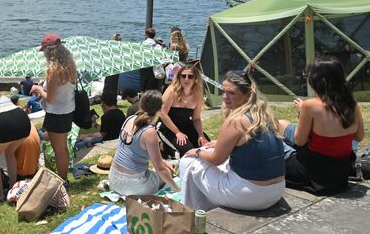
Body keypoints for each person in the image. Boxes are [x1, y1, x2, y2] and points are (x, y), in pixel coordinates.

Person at [179, 70, 286, 211]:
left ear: (247, 95)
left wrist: (197, 151)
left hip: (251, 195)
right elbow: (252, 144)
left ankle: (191, 211)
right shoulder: (265, 115)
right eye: (223, 92)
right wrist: (219, 143)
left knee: (188, 161)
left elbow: (216, 160)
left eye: (231, 93)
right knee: (219, 159)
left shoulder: (236, 121)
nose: (225, 97)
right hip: (276, 191)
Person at [279, 57, 365, 195]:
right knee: (282, 124)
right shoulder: (352, 105)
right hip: (340, 173)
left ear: (317, 80)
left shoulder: (310, 106)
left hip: (312, 172)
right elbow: (359, 137)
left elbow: (299, 141)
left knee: (274, 132)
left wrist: (303, 112)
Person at [110, 91, 180, 196]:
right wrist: (178, 189)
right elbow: (160, 169)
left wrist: (164, 163)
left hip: (114, 179)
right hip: (133, 186)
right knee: (167, 173)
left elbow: (140, 153)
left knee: (166, 167)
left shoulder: (129, 119)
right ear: (159, 110)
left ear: (140, 104)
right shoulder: (149, 132)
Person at [31, 33, 76, 186]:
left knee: (59, 149)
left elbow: (49, 98)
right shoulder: (70, 66)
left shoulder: (53, 70)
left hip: (56, 112)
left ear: (49, 51)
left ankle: (62, 181)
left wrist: (38, 88)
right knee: (62, 147)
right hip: (67, 110)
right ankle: (64, 177)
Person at [158, 64, 207, 157]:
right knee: (188, 152)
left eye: (190, 76)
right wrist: (178, 132)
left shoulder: (198, 94)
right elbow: (162, 114)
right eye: (183, 76)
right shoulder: (172, 91)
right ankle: (162, 147)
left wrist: (201, 135)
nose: (186, 79)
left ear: (196, 78)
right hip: (167, 126)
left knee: (205, 147)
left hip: (185, 125)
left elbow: (196, 119)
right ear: (179, 77)